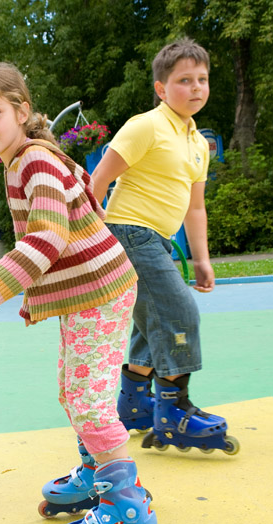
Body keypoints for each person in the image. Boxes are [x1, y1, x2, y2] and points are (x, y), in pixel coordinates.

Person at [0, 61, 175, 524]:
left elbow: (48, 236)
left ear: (21, 111)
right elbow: (85, 197)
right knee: (74, 389)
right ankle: (94, 472)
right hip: (93, 290)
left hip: (100, 292)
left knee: (87, 397)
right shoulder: (30, 159)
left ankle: (127, 509)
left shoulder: (32, 160)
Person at [92, 38, 239, 455]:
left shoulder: (197, 142)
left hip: (157, 238)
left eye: (202, 80)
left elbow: (195, 207)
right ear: (161, 88)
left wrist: (202, 259)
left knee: (150, 321)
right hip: (129, 231)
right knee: (178, 312)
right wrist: (98, 229)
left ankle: (135, 403)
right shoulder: (147, 126)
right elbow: (98, 181)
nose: (196, 88)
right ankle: (175, 411)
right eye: (184, 80)